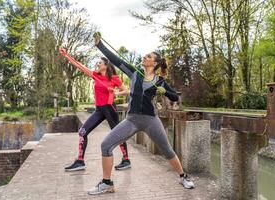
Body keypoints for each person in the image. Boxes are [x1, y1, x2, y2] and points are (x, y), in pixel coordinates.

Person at [87, 33, 195, 195]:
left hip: (151, 121)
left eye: (148, 56)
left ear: (155, 63)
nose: (144, 57)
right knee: (106, 145)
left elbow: (174, 97)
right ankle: (107, 183)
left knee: (167, 150)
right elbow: (116, 59)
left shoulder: (160, 81)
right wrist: (99, 45)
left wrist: (165, 91)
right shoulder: (134, 72)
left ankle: (183, 176)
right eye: (145, 55)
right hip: (132, 120)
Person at [59, 48, 132, 171]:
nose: (97, 65)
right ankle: (80, 161)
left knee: (117, 134)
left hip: (110, 109)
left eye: (99, 63)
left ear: (106, 65)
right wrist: (67, 56)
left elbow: (126, 91)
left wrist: (115, 92)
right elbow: (79, 66)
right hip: (99, 110)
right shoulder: (95, 75)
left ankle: (126, 160)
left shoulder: (114, 78)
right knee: (82, 132)